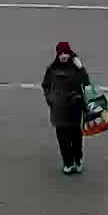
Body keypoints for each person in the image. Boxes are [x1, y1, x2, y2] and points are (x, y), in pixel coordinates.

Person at [40, 41, 89, 175]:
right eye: (61, 53)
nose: (64, 56)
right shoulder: (51, 69)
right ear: (57, 54)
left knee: (76, 137)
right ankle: (68, 162)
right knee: (63, 139)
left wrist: (81, 68)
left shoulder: (76, 68)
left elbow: (86, 83)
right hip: (59, 110)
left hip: (75, 109)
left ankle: (77, 161)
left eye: (66, 53)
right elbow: (45, 85)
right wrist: (51, 99)